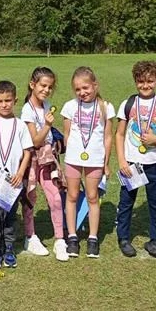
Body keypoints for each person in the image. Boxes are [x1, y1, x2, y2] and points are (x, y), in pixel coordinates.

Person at [115, 60, 156, 259]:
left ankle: (155, 240)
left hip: (155, 163)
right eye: (141, 81)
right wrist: (122, 161)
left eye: (150, 81)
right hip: (132, 164)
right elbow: (119, 134)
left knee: (155, 203)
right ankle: (123, 238)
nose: (145, 85)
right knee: (126, 202)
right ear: (135, 81)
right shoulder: (127, 104)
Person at [60, 67, 115, 259]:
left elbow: (108, 137)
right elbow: (66, 134)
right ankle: (72, 236)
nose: (82, 92)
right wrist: (71, 153)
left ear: (95, 85)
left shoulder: (106, 107)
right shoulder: (69, 106)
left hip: (95, 159)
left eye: (86, 88)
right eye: (77, 89)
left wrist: (105, 163)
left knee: (92, 197)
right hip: (74, 158)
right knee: (72, 195)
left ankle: (93, 237)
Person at [0, 80, 33, 269]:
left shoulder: (20, 126)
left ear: (15, 100)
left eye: (8, 100)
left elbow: (27, 152)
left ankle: (9, 248)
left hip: (12, 183)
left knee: (10, 217)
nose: (4, 105)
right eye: (0, 101)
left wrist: (20, 173)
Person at [19, 67, 65, 260]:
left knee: (55, 197)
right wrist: (47, 125)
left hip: (48, 159)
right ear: (32, 85)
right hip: (32, 159)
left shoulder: (47, 105)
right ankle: (30, 237)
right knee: (30, 197)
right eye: (43, 86)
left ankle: (60, 239)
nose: (46, 90)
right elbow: (35, 141)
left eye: (50, 87)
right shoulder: (26, 110)